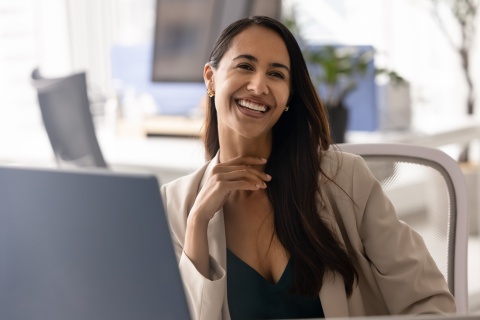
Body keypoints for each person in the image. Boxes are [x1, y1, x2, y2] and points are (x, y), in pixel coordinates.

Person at [160, 16, 456, 320]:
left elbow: (429, 302)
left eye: (276, 74)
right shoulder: (174, 207)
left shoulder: (345, 180)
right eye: (245, 66)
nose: (259, 85)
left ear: (289, 96)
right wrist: (198, 221)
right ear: (210, 78)